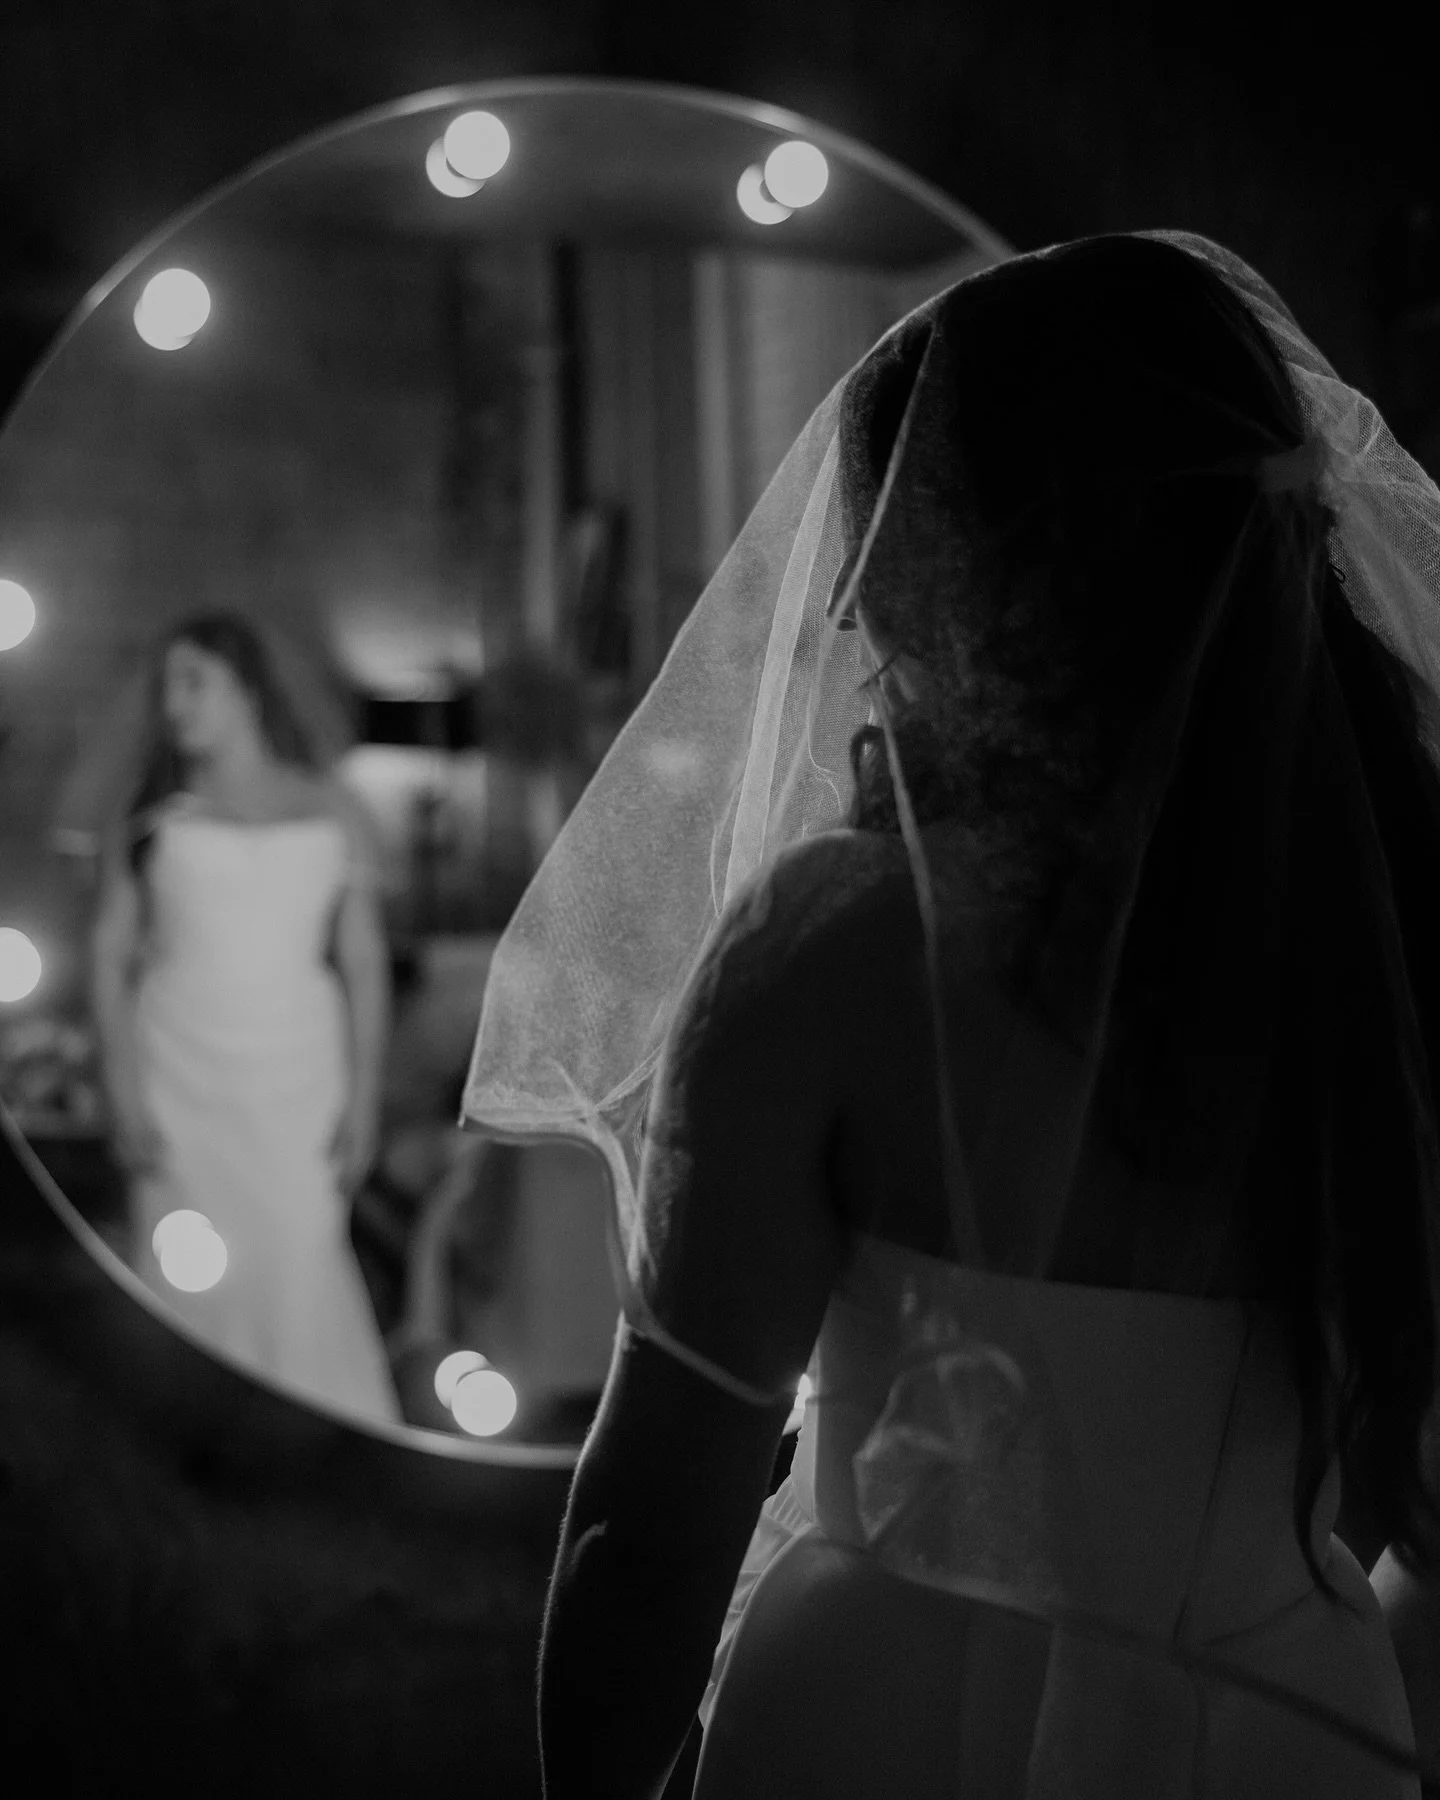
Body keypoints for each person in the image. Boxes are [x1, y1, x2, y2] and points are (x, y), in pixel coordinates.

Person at [467, 233, 1440, 1795]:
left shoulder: (843, 952)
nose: (847, 600)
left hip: (884, 1725)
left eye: (880, 537)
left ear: (962, 560)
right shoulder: (1403, 931)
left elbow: (648, 1521)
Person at [88, 612, 400, 1427]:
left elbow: (363, 965)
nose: (174, 705)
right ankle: (193, 1453)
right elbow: (109, 951)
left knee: (300, 1254)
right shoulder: (152, 814)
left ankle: (317, 1443)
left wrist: (366, 1101)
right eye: (167, 686)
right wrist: (122, 1090)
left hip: (296, 1072)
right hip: (180, 1071)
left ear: (247, 689)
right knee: (190, 1266)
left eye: (193, 682)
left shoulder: (331, 808)